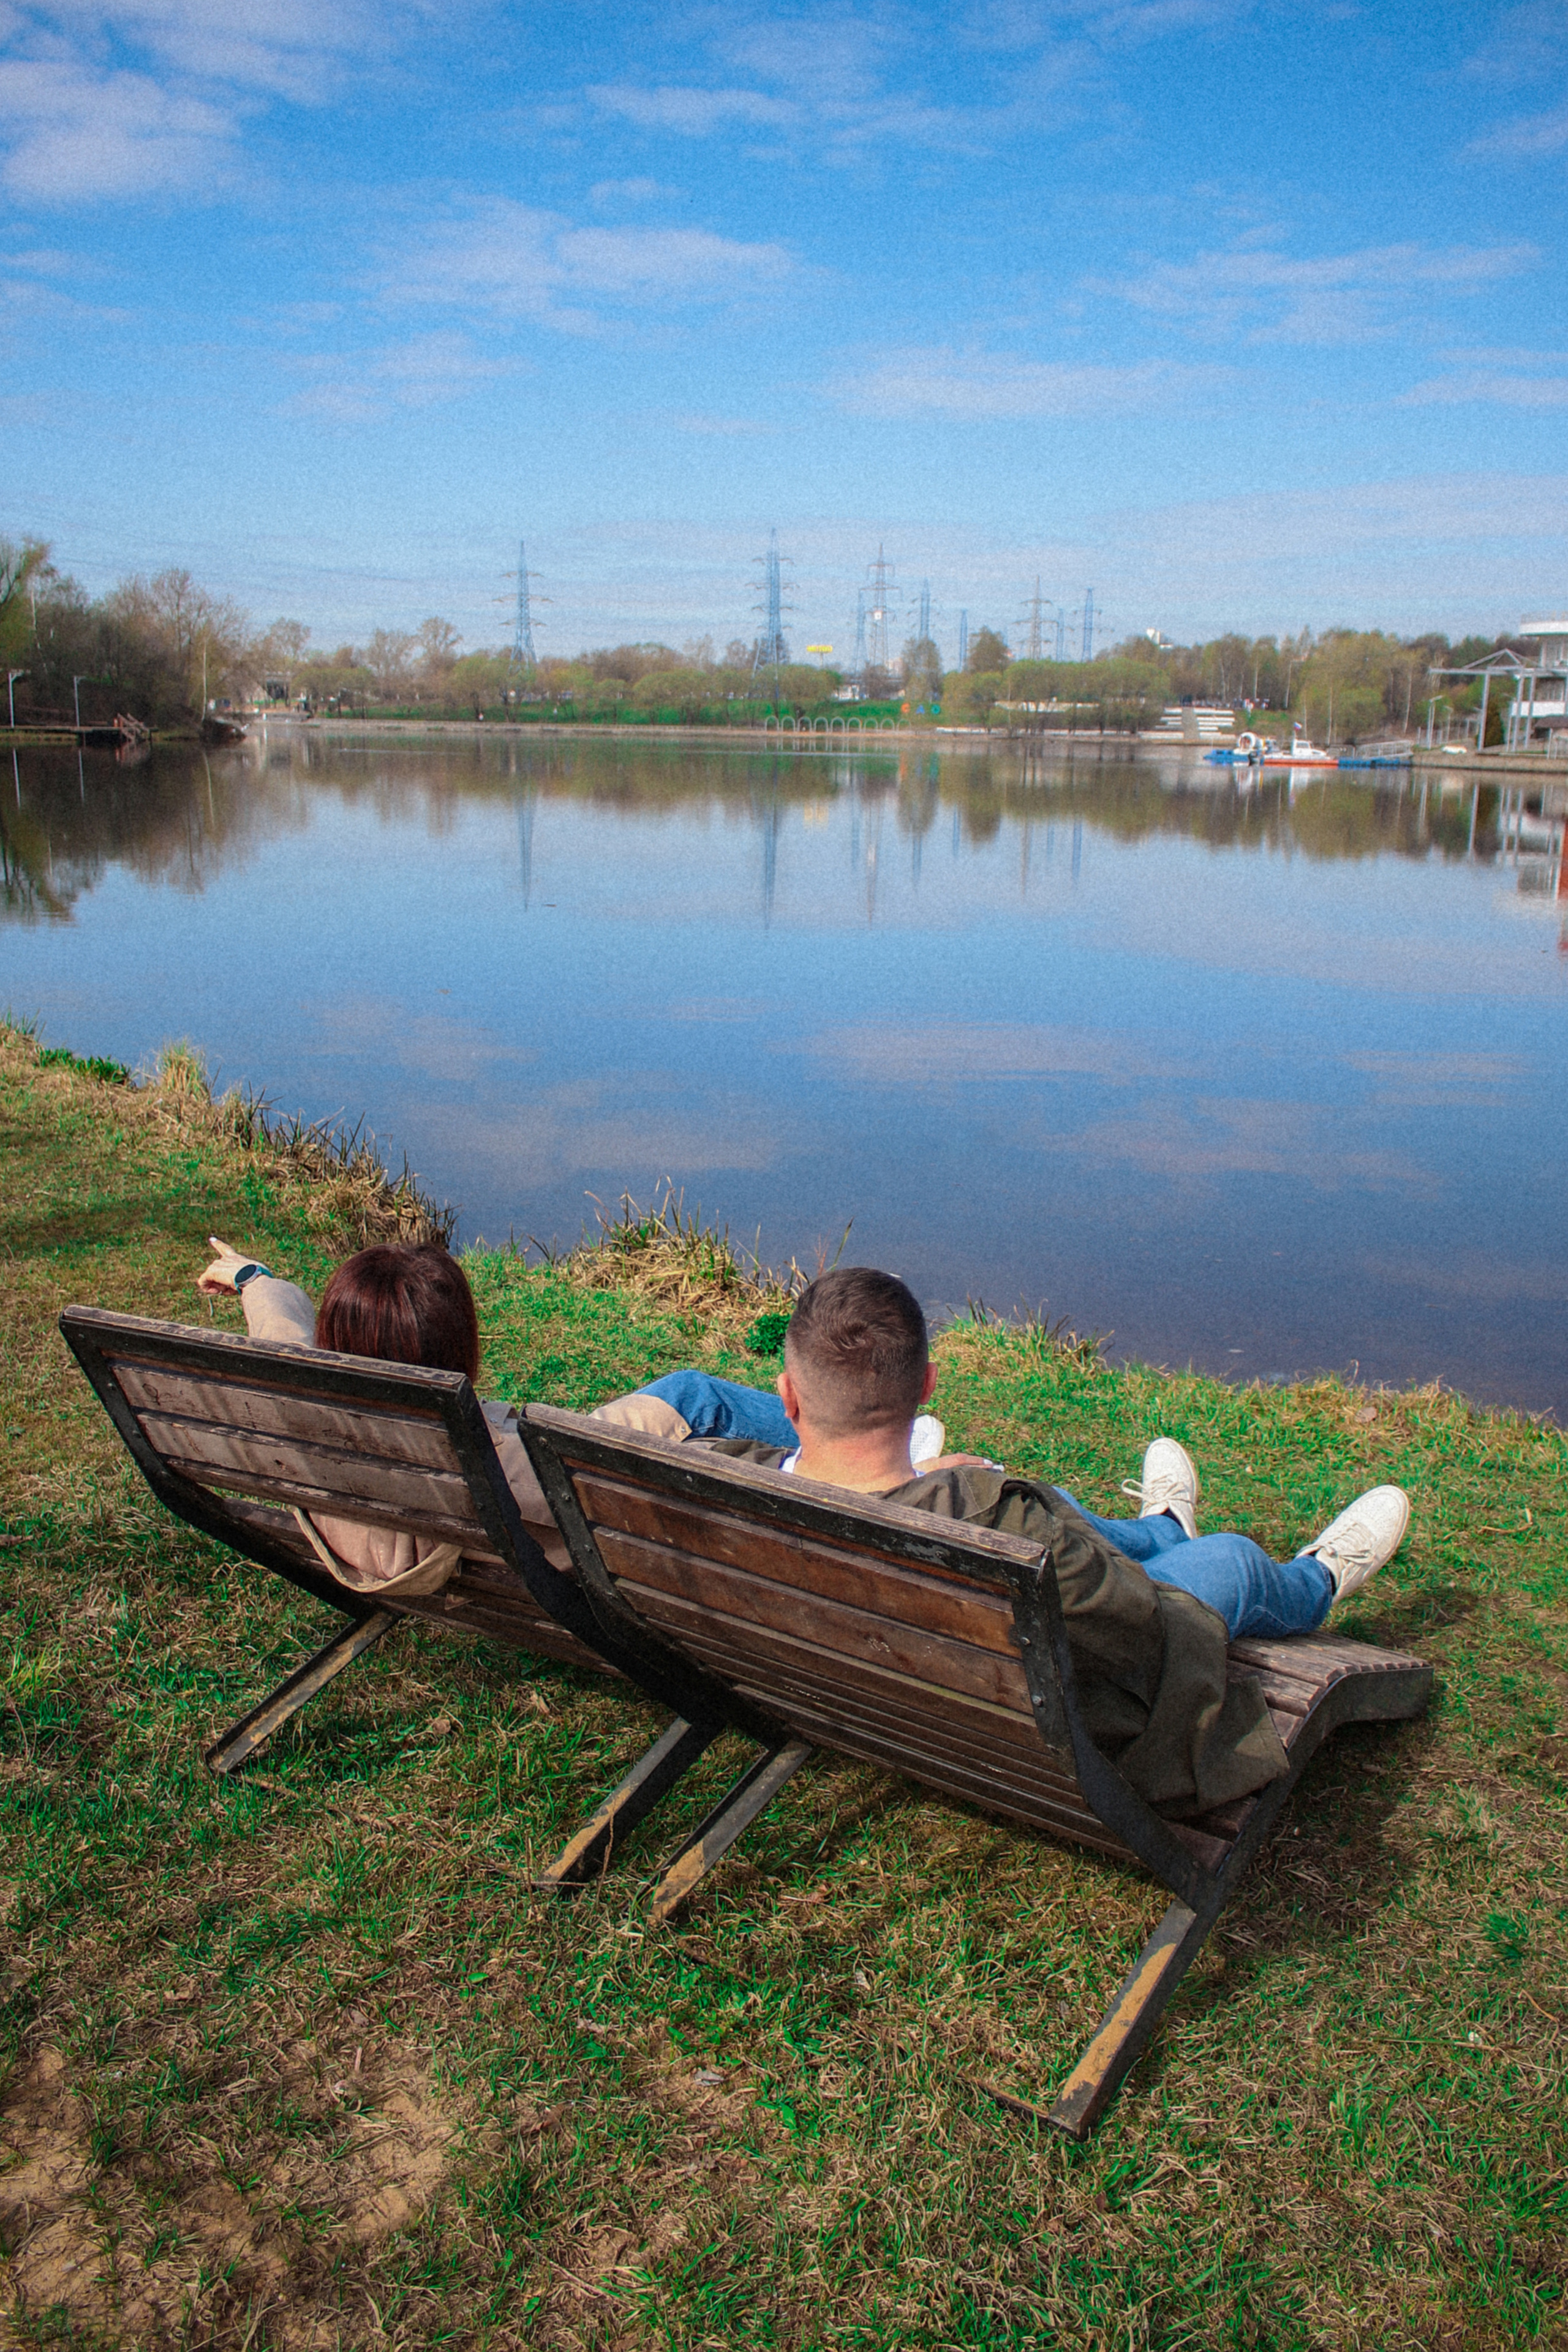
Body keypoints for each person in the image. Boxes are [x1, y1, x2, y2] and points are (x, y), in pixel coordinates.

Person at [686, 1265, 1413, 1817]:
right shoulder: (998, 1530)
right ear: (928, 1386)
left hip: (833, 1680)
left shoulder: (706, 1483)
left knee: (1056, 1506)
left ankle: (1161, 1527)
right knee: (1230, 1562)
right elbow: (1136, 1628)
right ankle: (1315, 1579)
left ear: (786, 1398)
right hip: (1025, 1723)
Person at [194, 1237, 945, 1586]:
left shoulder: (295, 1398)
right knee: (693, 1398)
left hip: (436, 1519)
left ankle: (874, 1430)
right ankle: (880, 1444)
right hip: (565, 1496)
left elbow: (280, 1335)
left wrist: (256, 1278)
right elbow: (623, 1485)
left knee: (684, 1396)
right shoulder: (486, 1456)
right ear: (461, 1351)